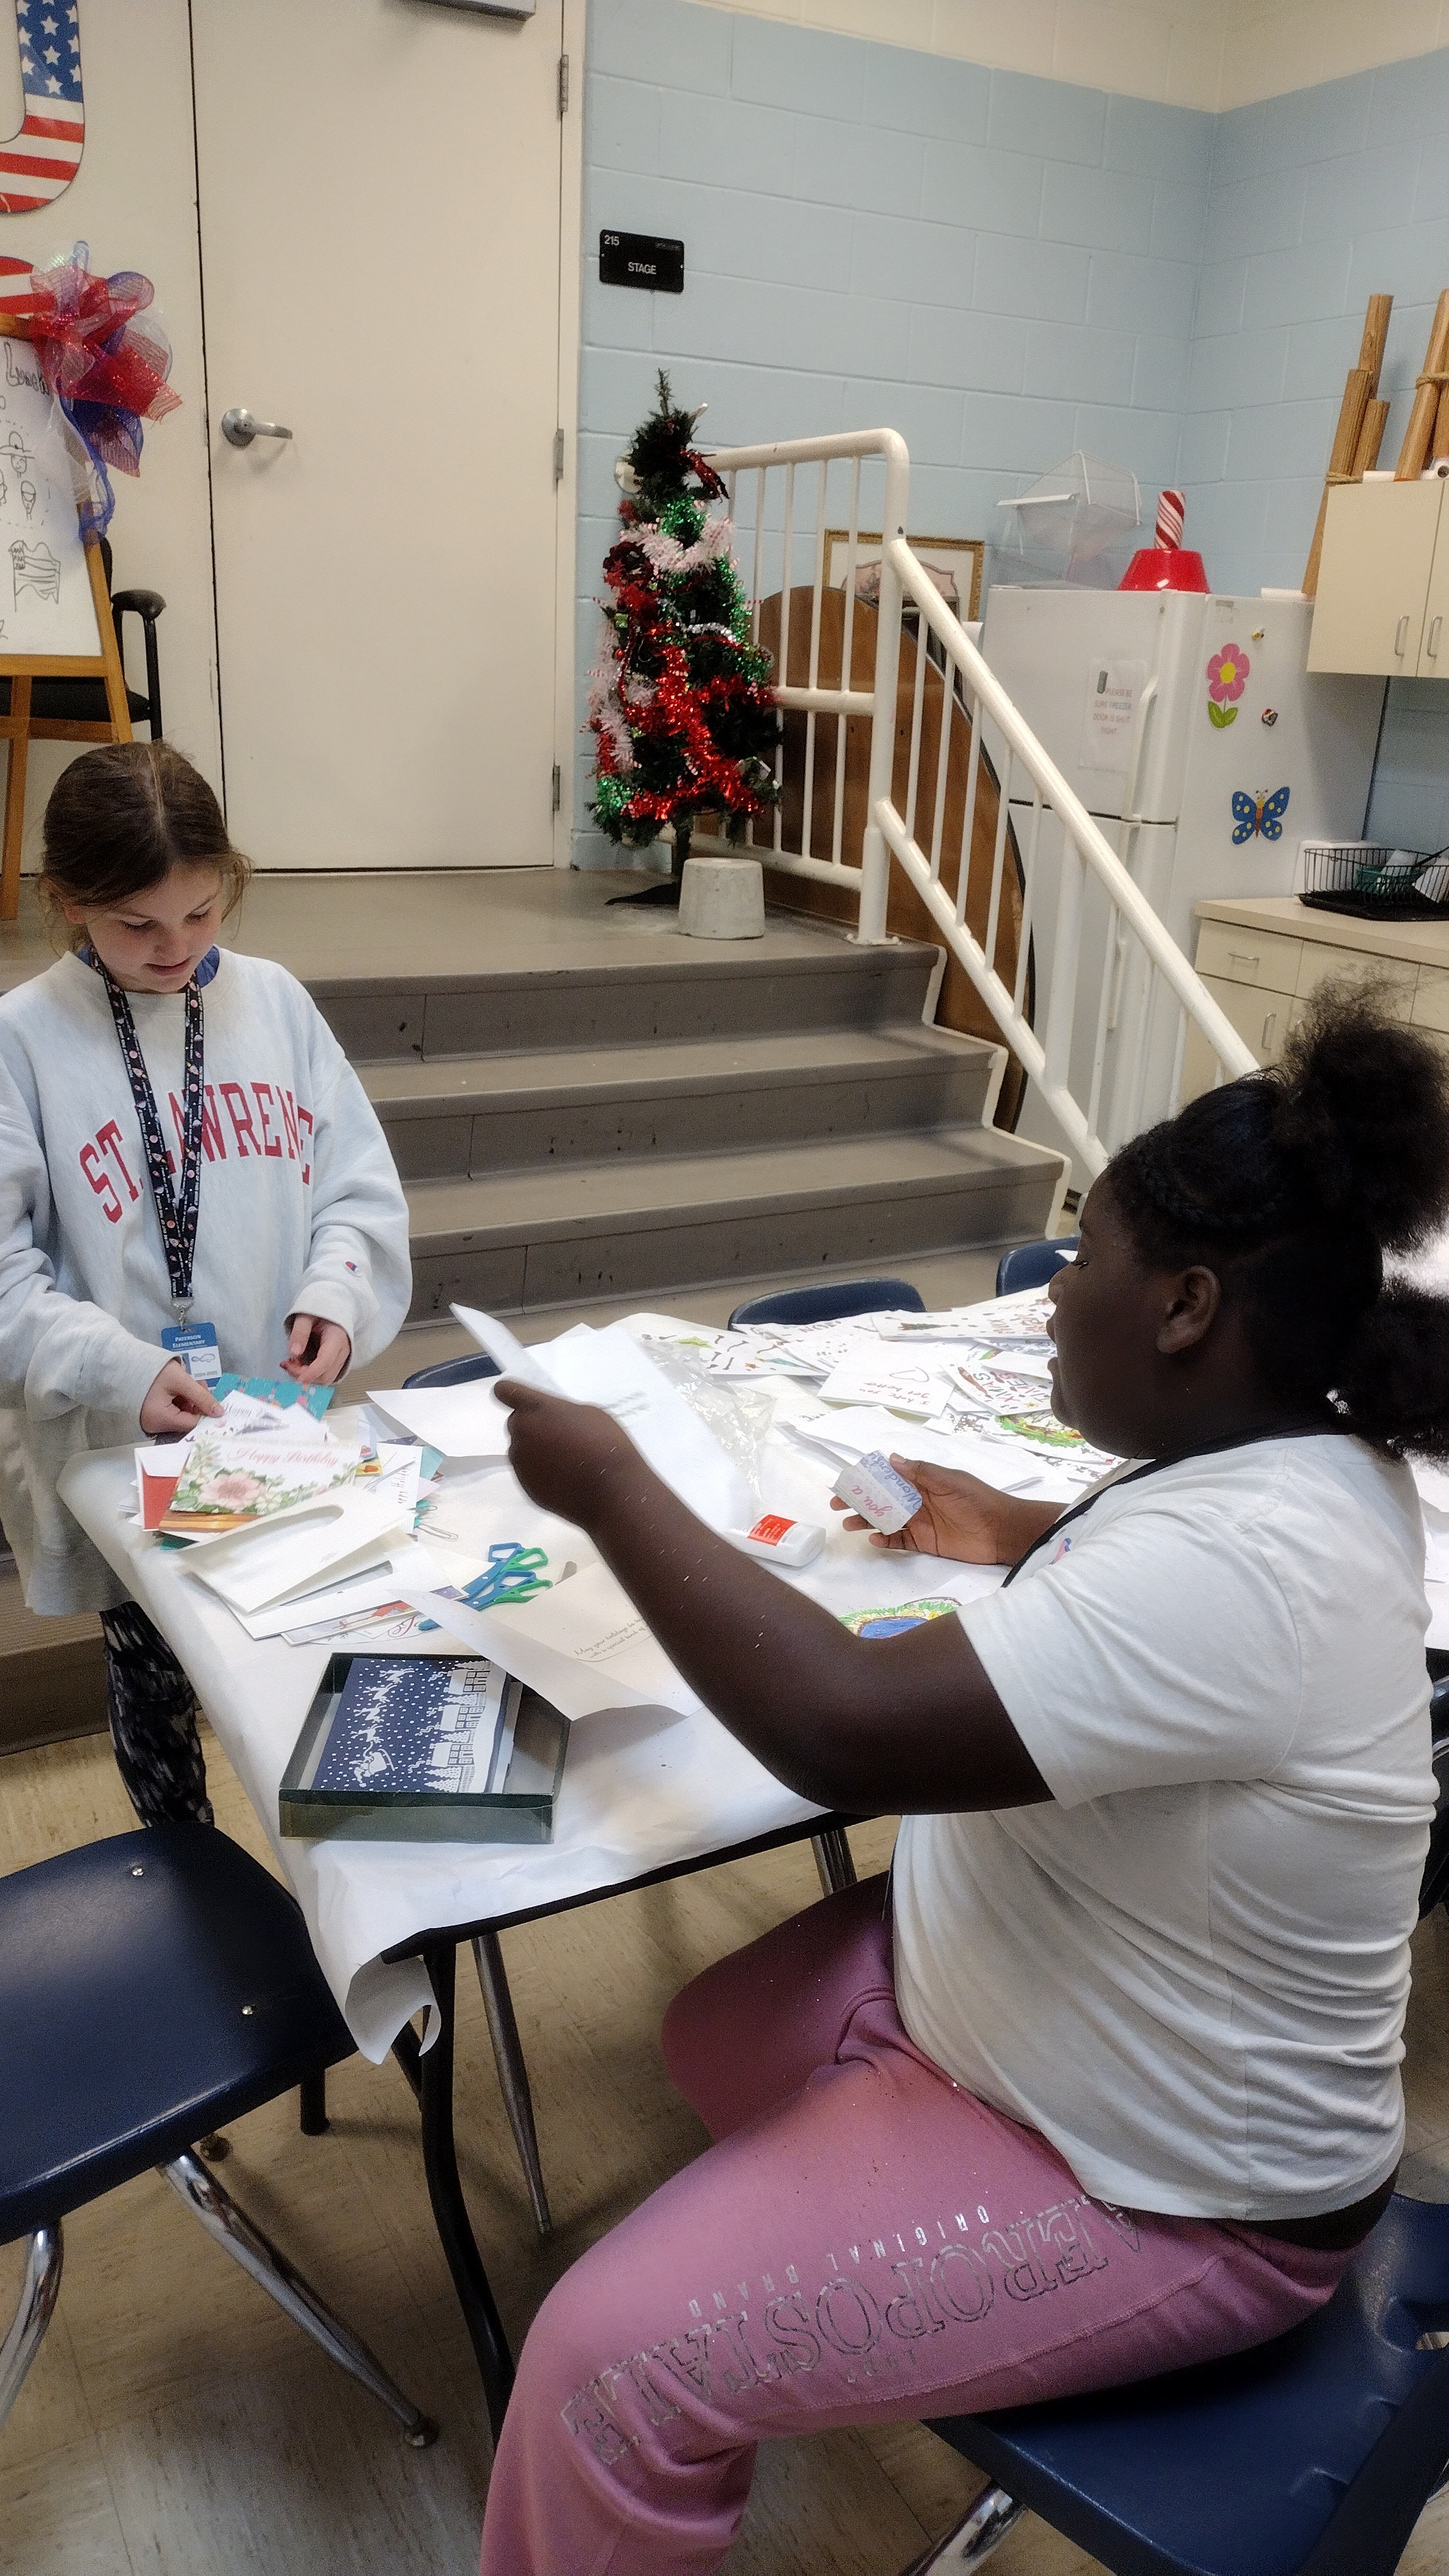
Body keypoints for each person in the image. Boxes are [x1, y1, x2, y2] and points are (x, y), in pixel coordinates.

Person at [478, 983, 1449, 2576]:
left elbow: (840, 1727)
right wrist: (1016, 1525)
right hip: (1044, 2006)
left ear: (1187, 1305)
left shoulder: (1251, 1564)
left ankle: (784, 2325)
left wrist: (609, 1483)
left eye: (1086, 1257)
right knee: (714, 2030)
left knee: (603, 2367)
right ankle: (855, 2233)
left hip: (1189, 2190)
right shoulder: (1307, 1462)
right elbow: (1172, 1584)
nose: (1055, 1292)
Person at [0, 740, 410, 1824]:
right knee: (154, 1668)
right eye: (136, 924)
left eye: (201, 911)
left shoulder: (273, 1003)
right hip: (124, 1441)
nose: (176, 946)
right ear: (66, 902)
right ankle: (182, 1867)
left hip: (274, 1425)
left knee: (304, 1642)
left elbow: (357, 1188)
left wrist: (336, 1293)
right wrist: (120, 1370)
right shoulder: (20, 1042)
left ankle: (336, 1859)